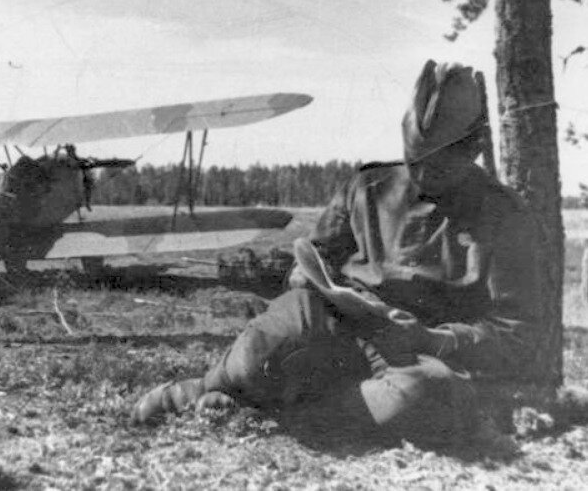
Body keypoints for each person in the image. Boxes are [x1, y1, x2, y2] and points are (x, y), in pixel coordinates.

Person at [131, 60, 541, 442]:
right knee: (268, 342)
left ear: (471, 150)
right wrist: (310, 280)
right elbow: (313, 260)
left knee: (426, 394)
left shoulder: (506, 217)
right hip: (341, 330)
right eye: (413, 161)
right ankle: (205, 389)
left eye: (436, 167)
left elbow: (518, 333)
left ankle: (285, 417)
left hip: (417, 355)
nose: (420, 176)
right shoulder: (368, 188)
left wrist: (439, 339)